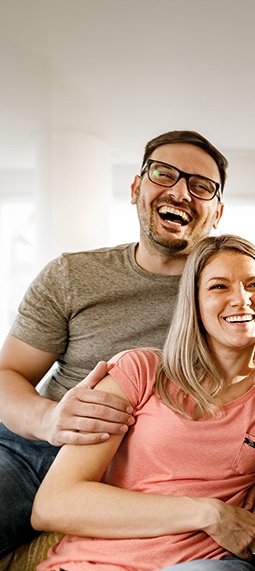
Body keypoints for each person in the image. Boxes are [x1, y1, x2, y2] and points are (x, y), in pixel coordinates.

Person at [0, 129, 229, 555]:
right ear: (136, 188)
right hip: (32, 452)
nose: (180, 192)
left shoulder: (231, 291)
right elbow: (8, 374)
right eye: (164, 175)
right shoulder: (72, 275)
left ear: (216, 212)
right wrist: (49, 421)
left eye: (201, 186)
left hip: (134, 476)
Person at [31, 234, 255, 570]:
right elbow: (54, 504)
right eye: (219, 287)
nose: (241, 299)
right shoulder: (139, 371)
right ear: (194, 303)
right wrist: (208, 513)